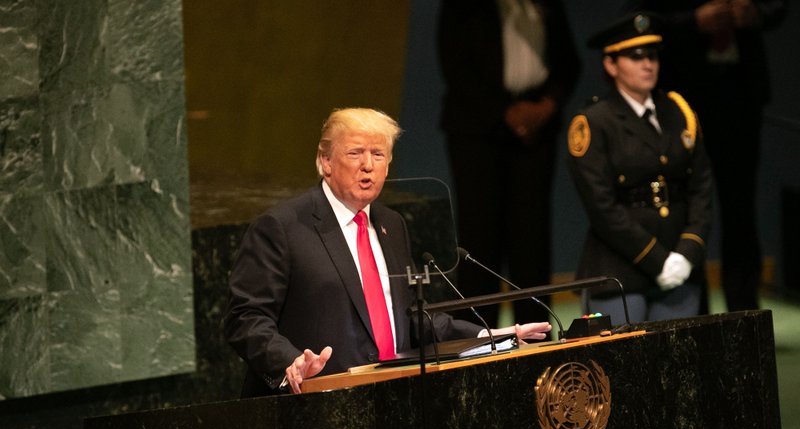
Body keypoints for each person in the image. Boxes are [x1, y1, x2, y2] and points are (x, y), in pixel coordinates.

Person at [224, 107, 552, 396]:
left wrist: (488, 336)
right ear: (325, 161)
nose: (368, 165)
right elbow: (246, 318)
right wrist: (289, 362)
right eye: (355, 153)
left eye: (378, 155)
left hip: (392, 397)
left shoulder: (391, 224)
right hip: (314, 403)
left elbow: (409, 318)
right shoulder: (282, 227)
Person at [622, 0, 787, 312]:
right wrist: (693, 20)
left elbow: (778, 6)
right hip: (686, 95)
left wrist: (756, 14)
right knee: (685, 206)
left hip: (741, 93)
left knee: (741, 211)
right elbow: (637, 14)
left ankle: (745, 315)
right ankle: (695, 314)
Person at [437, 0, 581, 327]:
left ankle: (537, 346)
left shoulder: (546, 4)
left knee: (532, 244)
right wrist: (506, 112)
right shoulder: (463, 6)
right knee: (478, 244)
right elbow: (455, 65)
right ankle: (478, 346)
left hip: (536, 134)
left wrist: (547, 105)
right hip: (477, 132)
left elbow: (569, 62)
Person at [566, 12, 714, 325]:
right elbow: (602, 208)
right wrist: (658, 261)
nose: (648, 64)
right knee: (622, 366)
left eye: (652, 56)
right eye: (635, 57)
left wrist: (688, 252)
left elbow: (701, 187)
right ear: (610, 64)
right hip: (620, 266)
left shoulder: (678, 111)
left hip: (679, 260)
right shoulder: (594, 122)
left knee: (679, 365)